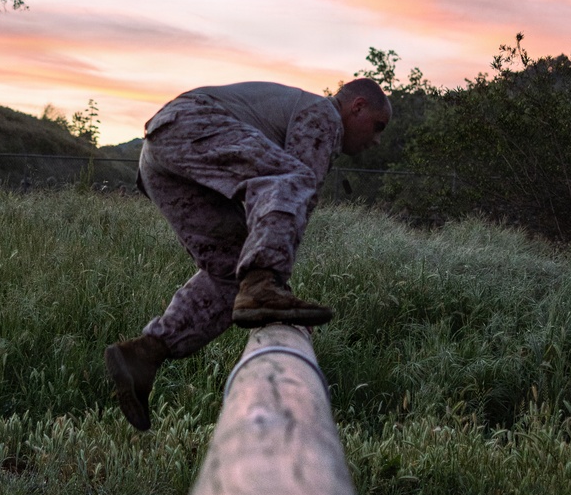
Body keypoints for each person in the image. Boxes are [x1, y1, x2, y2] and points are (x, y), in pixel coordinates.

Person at [105, 77, 391, 430]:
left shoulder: (307, 114)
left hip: (159, 155)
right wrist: (273, 287)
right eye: (377, 127)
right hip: (192, 124)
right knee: (294, 179)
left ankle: (145, 353)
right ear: (357, 106)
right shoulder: (325, 115)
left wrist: (267, 286)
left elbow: (272, 199)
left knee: (229, 274)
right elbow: (294, 190)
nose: (377, 140)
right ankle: (261, 285)